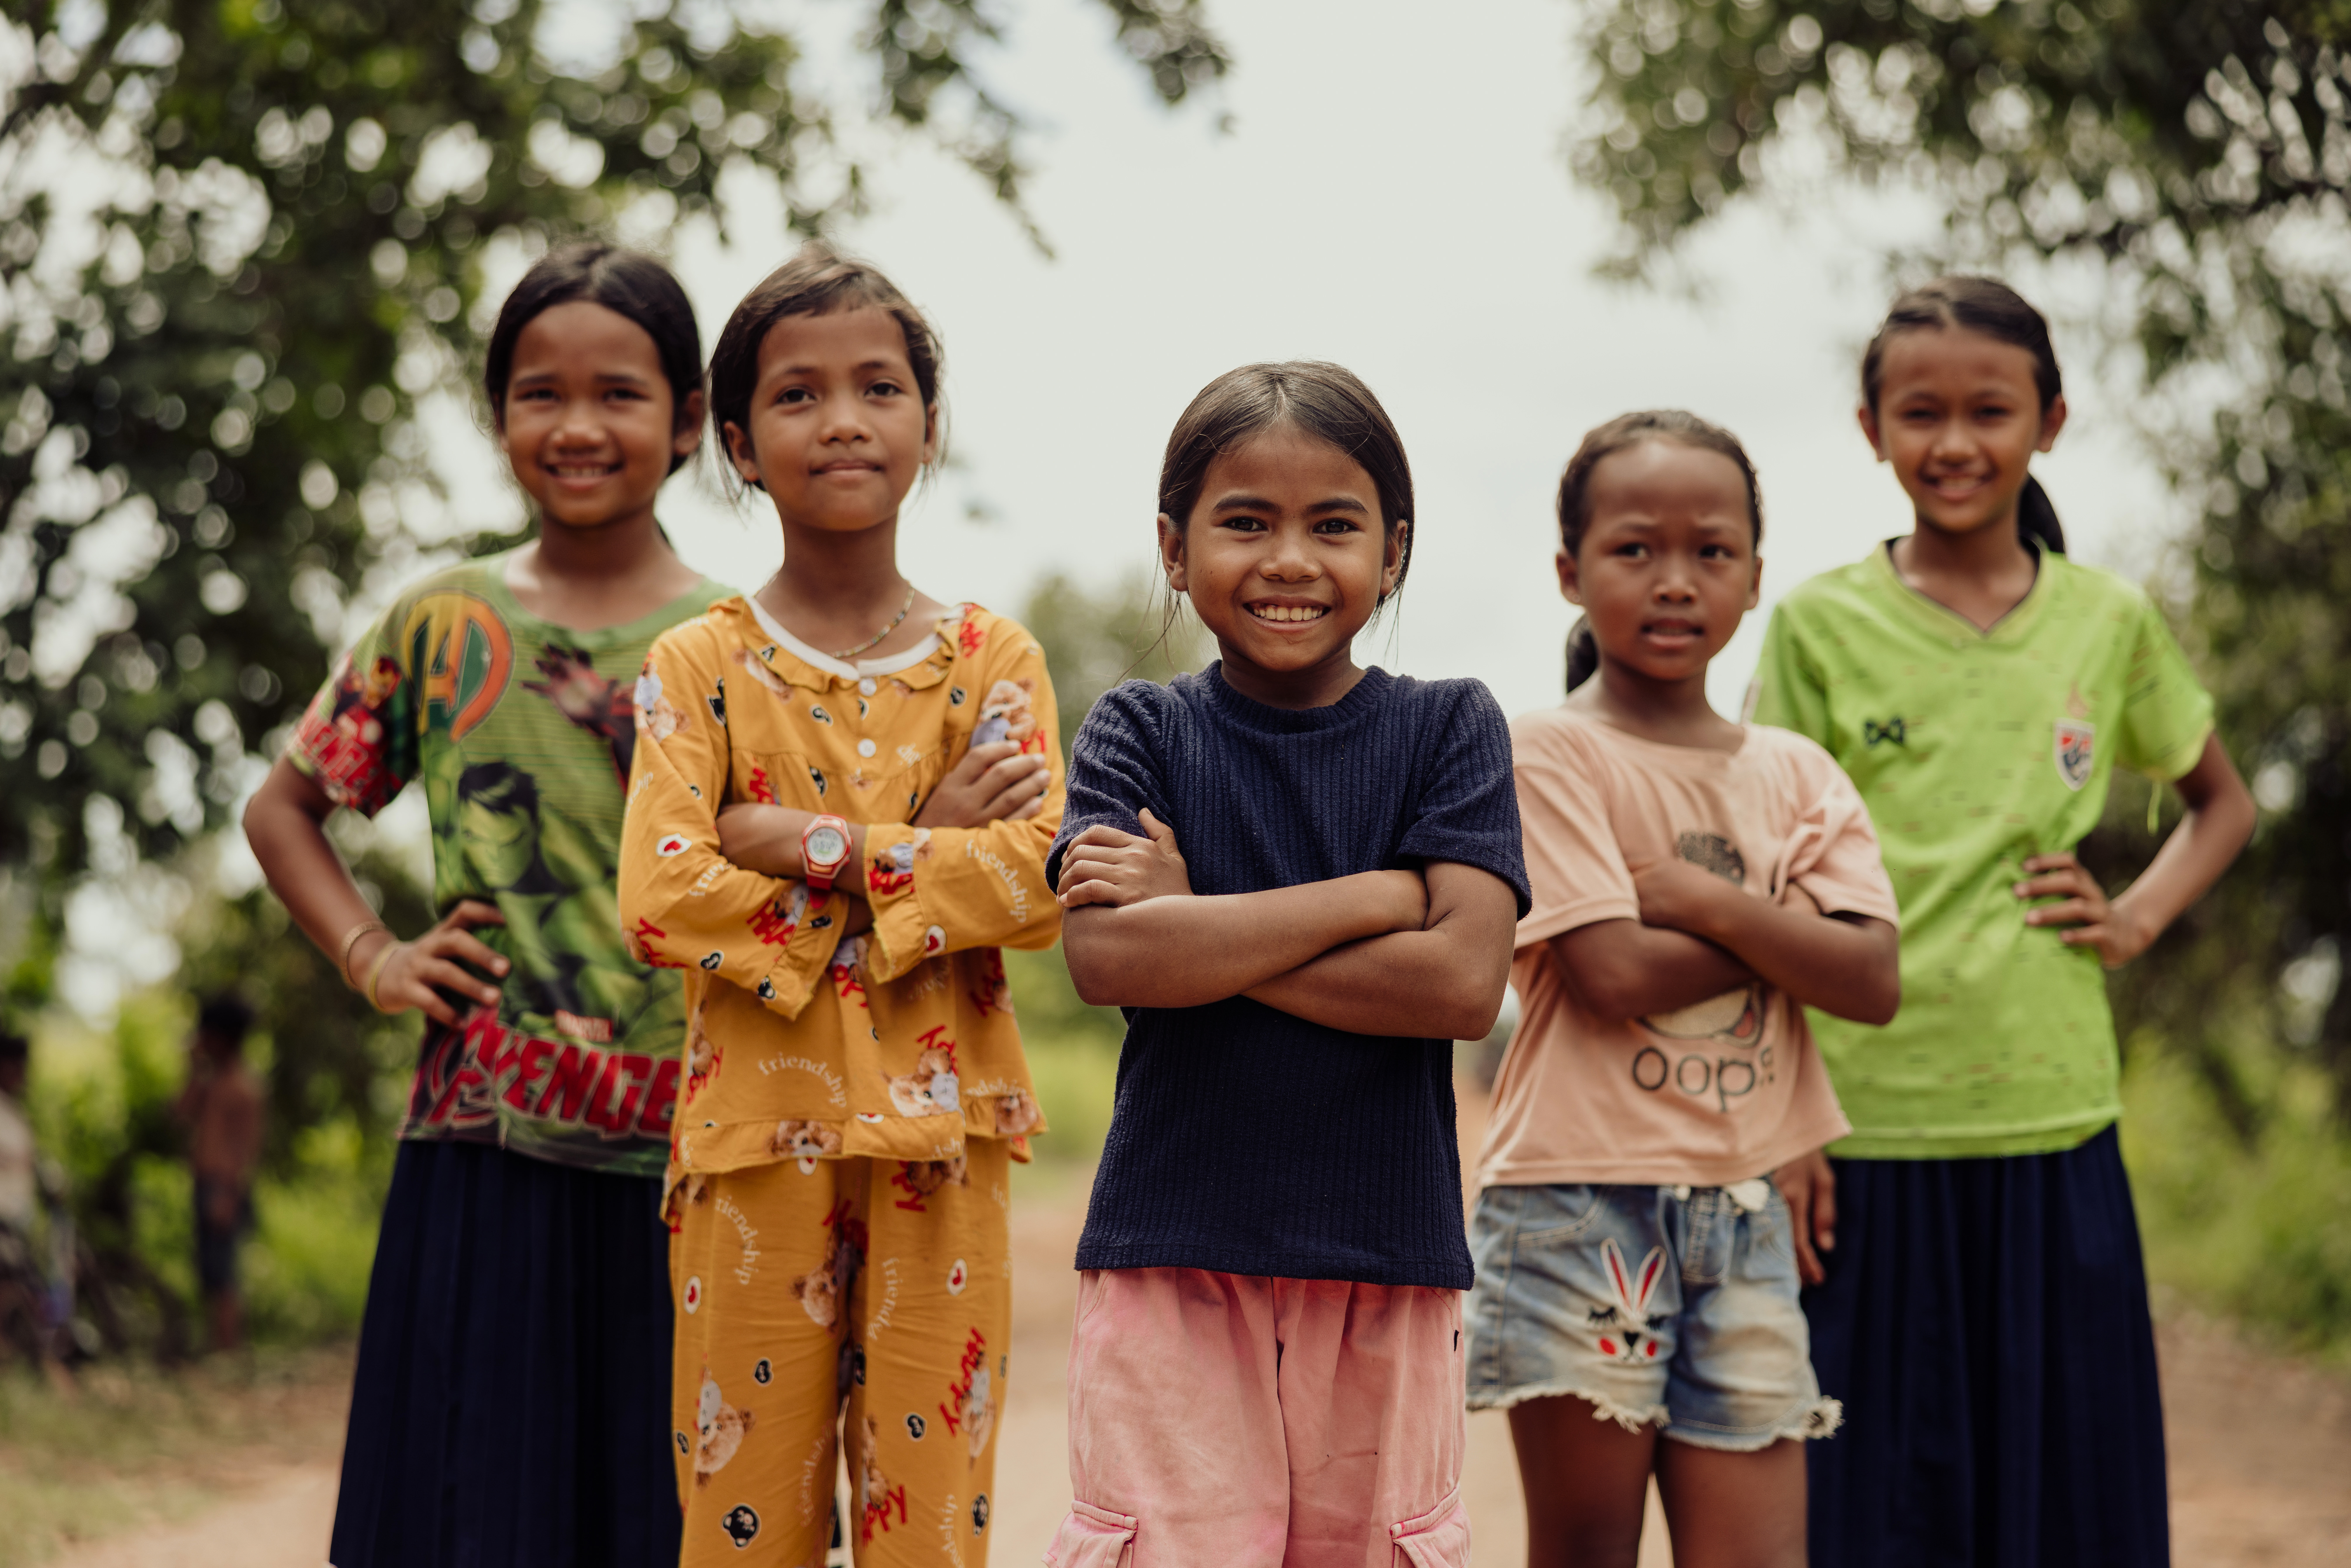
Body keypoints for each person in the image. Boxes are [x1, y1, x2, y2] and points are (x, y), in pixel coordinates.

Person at [1750, 276, 2257, 1568]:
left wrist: (2132, 918)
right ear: (1871, 428)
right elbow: (1766, 878)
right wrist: (1785, 1116)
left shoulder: (2106, 618)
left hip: (2053, 1115)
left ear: (2051, 422)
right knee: (1868, 1507)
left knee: (2066, 1499)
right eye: (1920, 412)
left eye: (1991, 410)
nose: (1955, 442)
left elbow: (2222, 802)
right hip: (1861, 1131)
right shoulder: (1817, 623)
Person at [243, 241, 728, 1568]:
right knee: (472, 1516)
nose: (578, 427)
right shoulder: (440, 621)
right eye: (540, 393)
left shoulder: (737, 641)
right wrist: (372, 954)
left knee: (668, 1523)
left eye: (620, 393)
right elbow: (284, 809)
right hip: (481, 1144)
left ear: (690, 418)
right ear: (498, 413)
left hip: (696, 1162)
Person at [616, 243, 1060, 1568]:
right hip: (755, 1149)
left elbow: (1039, 876)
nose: (844, 420)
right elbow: (664, 895)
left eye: (879, 386)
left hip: (944, 1146)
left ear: (928, 422)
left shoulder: (993, 660)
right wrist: (921, 850)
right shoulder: (697, 663)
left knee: (932, 1531)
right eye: (798, 394)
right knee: (745, 1523)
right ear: (738, 445)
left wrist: (808, 844)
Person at [1045, 361, 1529, 1567]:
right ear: (1175, 547)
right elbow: (1108, 955)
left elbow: (1461, 984)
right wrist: (1379, 897)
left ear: (1394, 550)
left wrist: (1198, 923)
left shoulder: (1449, 727)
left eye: (1335, 525)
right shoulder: (1140, 729)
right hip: (1171, 1250)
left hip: (1386, 1260)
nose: (1291, 560)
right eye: (1247, 521)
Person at [1461, 412, 1901, 1568]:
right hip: (1575, 1204)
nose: (1675, 580)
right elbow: (1611, 972)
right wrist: (1792, 929)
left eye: (1711, 550)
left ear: (1755, 574)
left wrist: (1706, 902)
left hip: (1746, 1212)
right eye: (1634, 549)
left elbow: (1871, 978)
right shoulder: (1547, 751)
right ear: (1570, 570)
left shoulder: (1799, 774)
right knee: (1586, 1547)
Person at [173, 995, 263, 1353]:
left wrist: (229, 1194)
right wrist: (193, 1070)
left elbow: (246, 1148)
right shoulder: (211, 1083)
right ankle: (216, 1344)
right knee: (209, 1271)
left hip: (223, 1187)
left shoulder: (245, 1086)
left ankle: (228, 1348)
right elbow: (180, 1113)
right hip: (204, 1182)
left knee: (224, 1272)